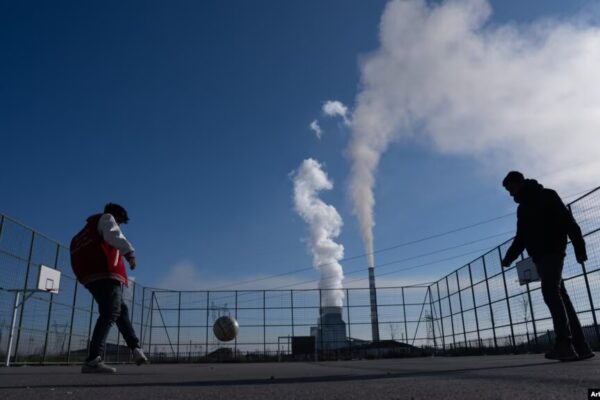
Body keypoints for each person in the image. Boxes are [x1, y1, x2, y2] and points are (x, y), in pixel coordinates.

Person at [500, 171, 594, 361]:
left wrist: (579, 247)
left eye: (511, 189)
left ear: (520, 182)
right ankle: (581, 346)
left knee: (550, 292)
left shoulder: (547, 195)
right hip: (540, 258)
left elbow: (569, 222)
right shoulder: (523, 208)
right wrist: (509, 257)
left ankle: (564, 344)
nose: (511, 194)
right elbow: (522, 236)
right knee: (562, 299)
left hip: (552, 252)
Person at [70, 203, 149, 373]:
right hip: (104, 273)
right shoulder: (106, 218)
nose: (119, 226)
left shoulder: (83, 232)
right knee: (110, 313)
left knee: (120, 310)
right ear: (117, 217)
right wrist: (129, 254)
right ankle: (93, 359)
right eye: (120, 222)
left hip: (89, 276)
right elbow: (113, 234)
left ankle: (135, 348)